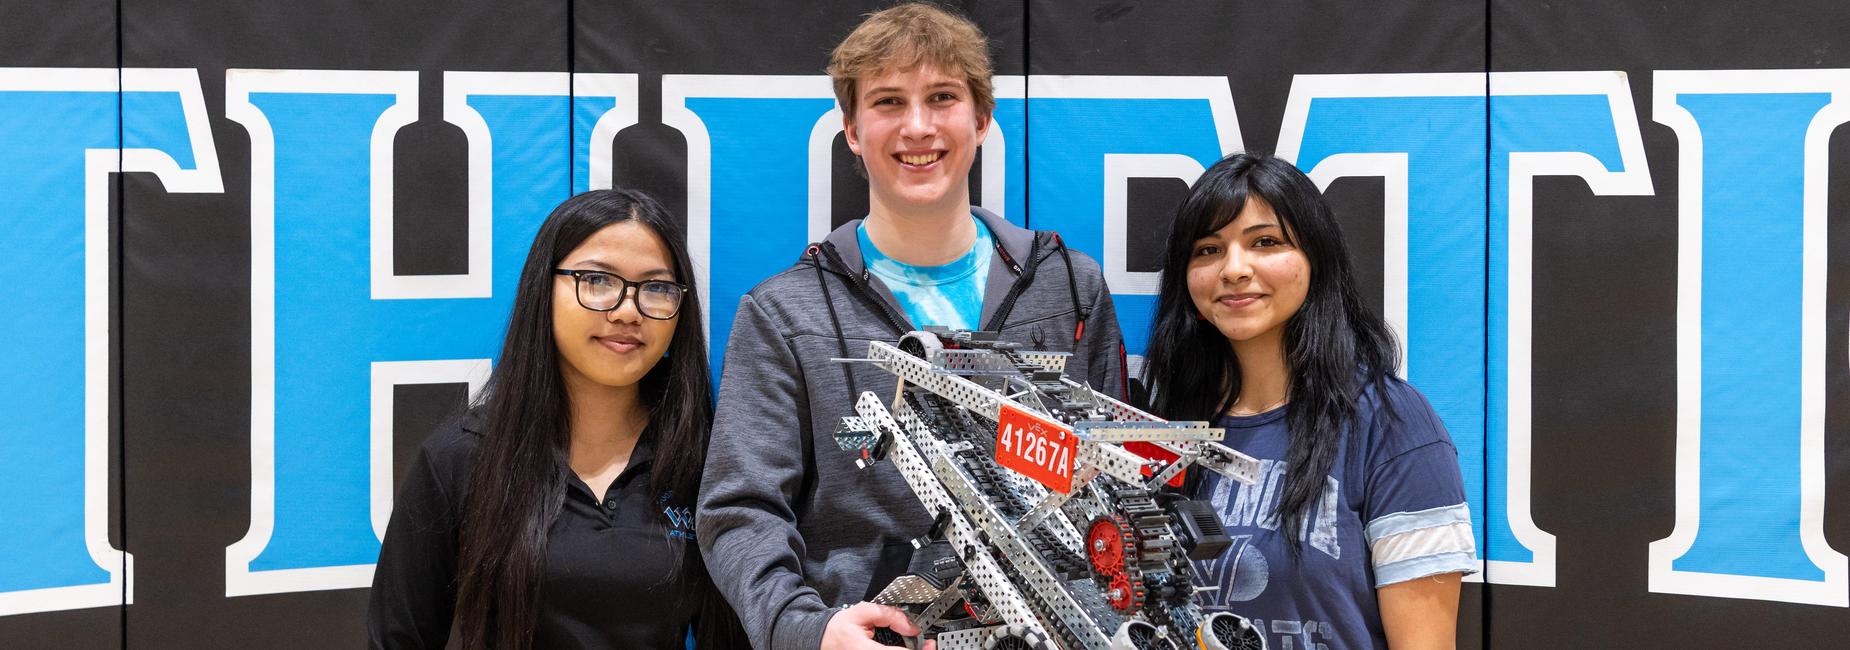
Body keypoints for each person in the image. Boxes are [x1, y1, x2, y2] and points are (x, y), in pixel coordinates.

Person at [696, 4, 1128, 649]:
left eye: (942, 97)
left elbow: (1113, 480)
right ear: (852, 129)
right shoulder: (784, 313)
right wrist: (808, 629)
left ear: (982, 119)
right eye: (889, 101)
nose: (918, 126)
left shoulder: (1069, 287)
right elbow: (740, 511)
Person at [367, 189, 744, 649]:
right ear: (542, 289)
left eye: (656, 288)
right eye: (597, 280)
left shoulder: (705, 459)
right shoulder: (461, 458)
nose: (628, 311)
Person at [1140, 153, 1478, 648]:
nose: (1234, 269)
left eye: (1265, 242)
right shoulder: (1163, 427)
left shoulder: (1391, 423)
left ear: (1315, 259)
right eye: (1208, 250)